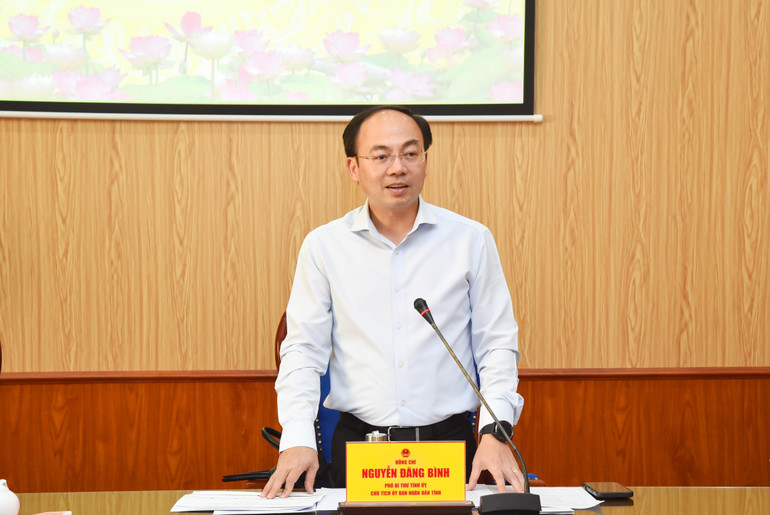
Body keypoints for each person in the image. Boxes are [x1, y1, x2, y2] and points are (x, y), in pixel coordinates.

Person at [261, 105, 524, 499]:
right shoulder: (324, 247)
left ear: (425, 161)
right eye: (381, 156)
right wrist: (297, 439)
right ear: (354, 168)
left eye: (410, 153)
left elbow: (496, 345)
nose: (398, 168)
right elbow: (302, 350)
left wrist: (495, 432)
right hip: (358, 449)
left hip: (450, 448)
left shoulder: (470, 240)